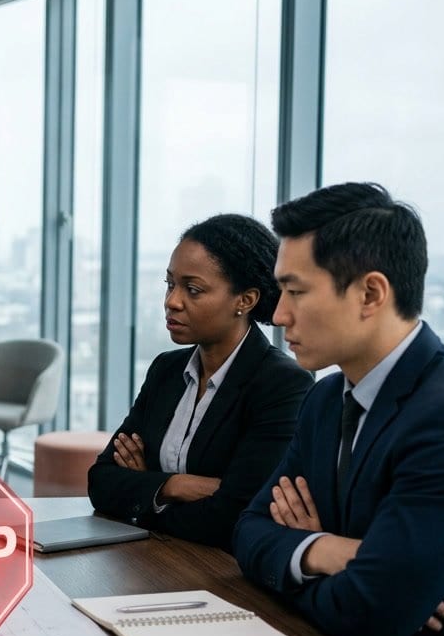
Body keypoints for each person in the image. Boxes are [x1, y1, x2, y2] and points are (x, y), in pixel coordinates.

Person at [234, 183, 444, 636]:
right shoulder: (326, 398)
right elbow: (247, 532)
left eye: (296, 291)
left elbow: (374, 614)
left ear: (370, 294)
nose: (278, 315)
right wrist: (330, 552)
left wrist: (303, 560)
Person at [88, 214, 311, 550]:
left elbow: (234, 516)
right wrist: (174, 486)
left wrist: (145, 487)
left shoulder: (282, 384)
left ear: (245, 300)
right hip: (151, 558)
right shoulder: (166, 369)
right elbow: (101, 480)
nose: (172, 301)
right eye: (170, 284)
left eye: (192, 290)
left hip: (222, 570)